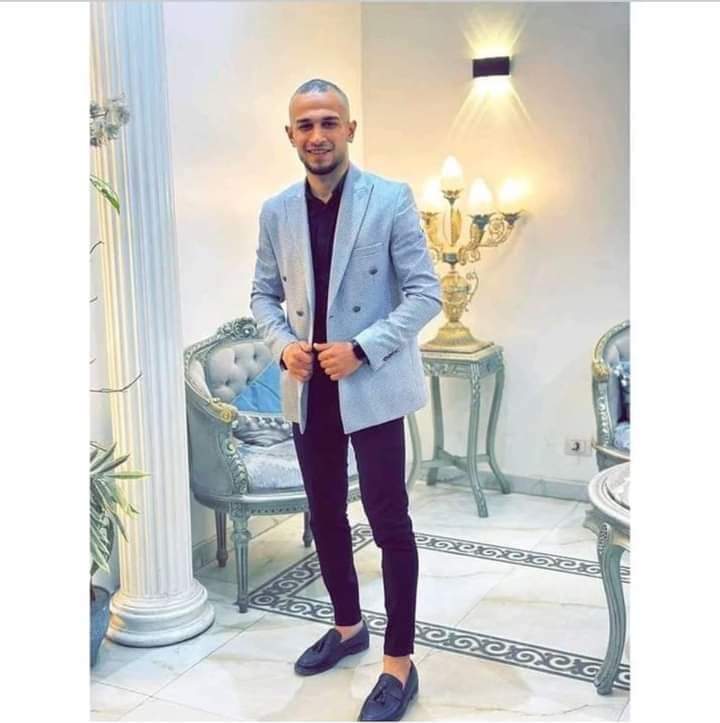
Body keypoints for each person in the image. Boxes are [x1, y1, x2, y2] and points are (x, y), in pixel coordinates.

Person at [249, 78, 442, 721]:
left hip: (372, 386)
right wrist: (284, 346)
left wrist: (361, 347)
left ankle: (399, 661)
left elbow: (425, 293)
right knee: (326, 515)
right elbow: (262, 295)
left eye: (329, 122)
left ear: (350, 129)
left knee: (390, 522)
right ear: (290, 135)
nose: (318, 135)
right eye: (305, 125)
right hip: (309, 392)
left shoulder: (390, 198)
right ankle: (347, 625)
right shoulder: (277, 210)